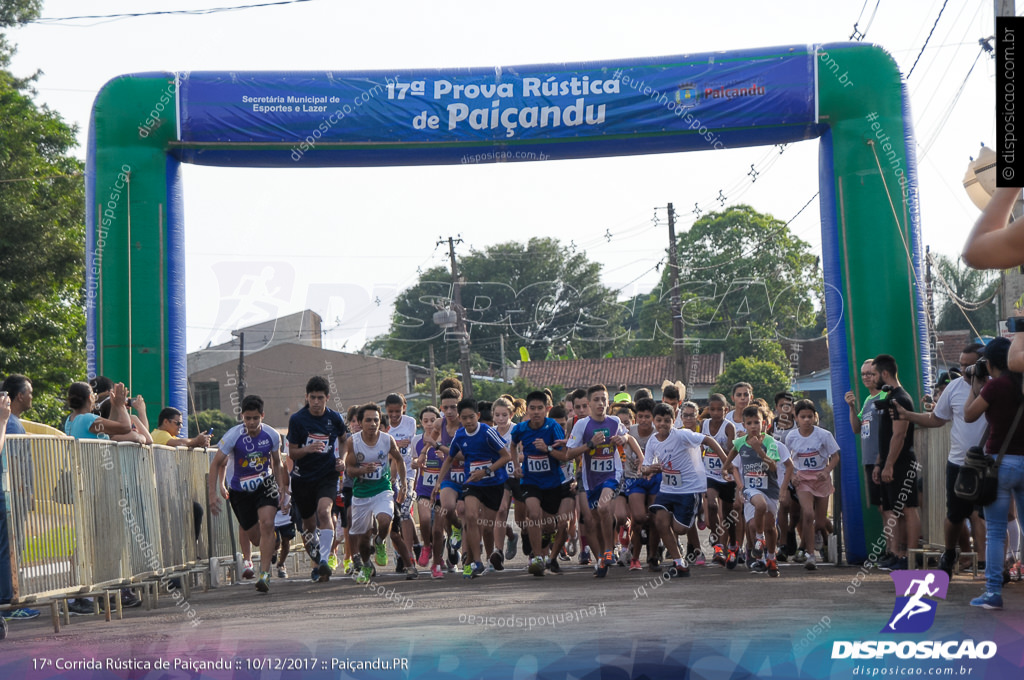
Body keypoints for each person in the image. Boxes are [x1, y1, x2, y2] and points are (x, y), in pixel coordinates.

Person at [896, 344, 988, 578]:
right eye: (962, 364)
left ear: (983, 364)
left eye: (971, 364)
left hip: (991, 462)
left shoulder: (995, 388)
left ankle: (986, 561)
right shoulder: (954, 388)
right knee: (955, 515)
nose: (966, 369)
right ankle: (949, 552)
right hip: (959, 462)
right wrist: (908, 415)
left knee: (983, 514)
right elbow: (937, 418)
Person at [964, 337, 1024, 610]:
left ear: (989, 363)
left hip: (999, 463)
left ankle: (992, 593)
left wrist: (974, 387)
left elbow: (969, 415)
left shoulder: (994, 387)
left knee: (996, 530)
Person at [209, 395, 287, 594]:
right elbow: (216, 463)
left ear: (262, 416)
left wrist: (281, 489)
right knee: (255, 538)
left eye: (255, 418)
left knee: (268, 523)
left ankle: (264, 574)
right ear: (242, 417)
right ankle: (269, 542)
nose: (251, 423)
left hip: (265, 484)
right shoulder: (233, 435)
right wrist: (212, 494)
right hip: (240, 490)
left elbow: (277, 463)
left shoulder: (271, 435)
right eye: (247, 418)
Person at [642, 403, 729, 579]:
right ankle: (679, 563)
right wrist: (651, 468)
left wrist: (726, 464)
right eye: (659, 421)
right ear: (654, 421)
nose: (662, 424)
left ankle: (695, 511)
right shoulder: (652, 440)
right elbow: (644, 467)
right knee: (659, 520)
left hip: (689, 488)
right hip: (667, 489)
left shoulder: (682, 435)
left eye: (667, 421)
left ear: (674, 421)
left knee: (680, 529)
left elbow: (708, 440)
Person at [435, 398, 512, 579]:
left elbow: (506, 456)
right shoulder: (460, 436)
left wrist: (486, 471)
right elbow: (449, 458)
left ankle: (490, 556)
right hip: (472, 483)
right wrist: (438, 482)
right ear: (460, 419)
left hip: (494, 483)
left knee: (486, 527)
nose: (468, 421)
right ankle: (476, 562)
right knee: (470, 517)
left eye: (471, 417)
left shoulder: (487, 432)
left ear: (477, 416)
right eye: (464, 418)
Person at [287, 376, 348, 582]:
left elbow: (344, 439)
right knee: (308, 525)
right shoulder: (297, 419)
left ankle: (324, 559)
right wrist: (308, 449)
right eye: (312, 397)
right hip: (302, 478)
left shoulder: (335, 418)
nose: (315, 402)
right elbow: (292, 453)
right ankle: (316, 559)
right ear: (306, 397)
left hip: (327, 475)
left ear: (327, 398)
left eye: (320, 398)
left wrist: (342, 459)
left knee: (325, 512)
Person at [345, 403, 414, 584]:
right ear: (360, 422)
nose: (373, 424)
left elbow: (399, 460)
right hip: (361, 493)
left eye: (376, 420)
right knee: (363, 538)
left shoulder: (387, 439)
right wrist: (362, 470)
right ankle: (367, 564)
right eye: (368, 420)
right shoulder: (354, 442)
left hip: (382, 489)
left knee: (385, 520)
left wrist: (404, 483)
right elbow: (349, 470)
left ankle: (380, 541)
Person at [511, 390, 575, 575]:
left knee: (550, 525)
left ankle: (548, 547)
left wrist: (546, 449)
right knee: (533, 513)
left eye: (540, 408)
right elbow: (513, 445)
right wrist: (516, 465)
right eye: (533, 408)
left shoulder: (553, 427)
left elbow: (564, 455)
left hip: (553, 483)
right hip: (530, 481)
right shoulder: (521, 428)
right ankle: (538, 557)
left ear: (546, 409)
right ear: (528, 409)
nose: (536, 412)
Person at [725, 405, 794, 577]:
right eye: (749, 423)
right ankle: (758, 543)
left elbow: (773, 466)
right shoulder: (740, 443)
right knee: (756, 519)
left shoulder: (771, 443)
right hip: (750, 489)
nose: (754, 426)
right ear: (744, 425)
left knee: (770, 525)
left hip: (770, 489)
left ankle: (771, 557)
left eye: (757, 422)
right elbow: (732, 458)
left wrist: (759, 450)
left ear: (764, 424)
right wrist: (726, 471)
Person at [566, 384, 626, 577]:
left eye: (604, 399)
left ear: (608, 402)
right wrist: (590, 444)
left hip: (612, 474)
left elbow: (626, 435)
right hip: (590, 478)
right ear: (589, 403)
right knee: (594, 520)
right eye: (596, 399)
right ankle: (601, 557)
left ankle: (609, 550)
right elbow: (569, 453)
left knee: (602, 508)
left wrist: (623, 439)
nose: (601, 403)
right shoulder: (582, 425)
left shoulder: (615, 421)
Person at [873, 354, 921, 572]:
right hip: (890, 461)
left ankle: (909, 557)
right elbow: (885, 437)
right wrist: (880, 463)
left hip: (902, 463)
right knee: (897, 510)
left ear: (884, 374)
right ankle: (899, 553)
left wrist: (890, 464)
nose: (873, 379)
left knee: (909, 508)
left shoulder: (900, 399)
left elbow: (899, 436)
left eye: (874, 375)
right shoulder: (890, 397)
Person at [844, 359, 893, 565]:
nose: (866, 377)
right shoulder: (867, 400)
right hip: (869, 460)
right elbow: (856, 428)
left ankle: (895, 551)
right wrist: (852, 406)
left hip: (880, 460)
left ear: (880, 374)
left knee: (889, 507)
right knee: (881, 507)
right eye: (863, 374)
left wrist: (883, 461)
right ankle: (889, 550)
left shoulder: (885, 396)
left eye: (870, 374)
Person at [0, 389, 40, 621]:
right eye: (29, 392)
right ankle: (9, 602)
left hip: (9, 494)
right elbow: (12, 459)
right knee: (10, 550)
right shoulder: (10, 423)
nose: (32, 396)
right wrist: (21, 492)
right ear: (19, 395)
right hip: (8, 495)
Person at [786, 400, 840, 569]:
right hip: (802, 480)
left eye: (810, 416)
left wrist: (827, 470)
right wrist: (792, 476)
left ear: (815, 417)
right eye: (803, 417)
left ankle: (803, 546)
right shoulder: (791, 437)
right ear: (796, 418)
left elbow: (835, 456)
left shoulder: (824, 435)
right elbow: (786, 461)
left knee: (821, 522)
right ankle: (811, 556)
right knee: (808, 514)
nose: (807, 420)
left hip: (821, 479)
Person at [150, 407, 212, 552]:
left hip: (169, 490)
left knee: (195, 511)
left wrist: (197, 442)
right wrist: (196, 441)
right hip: (160, 491)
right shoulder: (159, 434)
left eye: (181, 424)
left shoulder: (170, 436)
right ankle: (189, 551)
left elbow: (184, 443)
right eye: (178, 423)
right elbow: (179, 443)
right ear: (166, 422)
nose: (180, 427)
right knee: (195, 510)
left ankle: (189, 550)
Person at [384, 393, 420, 572]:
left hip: (408, 471)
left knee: (405, 510)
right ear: (386, 410)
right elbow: (388, 451)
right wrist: (396, 443)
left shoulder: (410, 422)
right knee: (394, 515)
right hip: (391, 473)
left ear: (403, 408)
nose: (394, 415)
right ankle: (403, 551)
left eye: (398, 411)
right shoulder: (384, 426)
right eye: (391, 411)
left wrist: (395, 445)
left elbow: (408, 446)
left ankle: (410, 552)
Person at [701, 393, 738, 568]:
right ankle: (717, 544)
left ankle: (732, 544)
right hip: (709, 474)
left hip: (726, 475)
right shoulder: (704, 425)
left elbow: (732, 451)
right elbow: (699, 447)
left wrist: (719, 450)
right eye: (712, 409)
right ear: (708, 410)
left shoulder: (728, 427)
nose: (716, 413)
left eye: (720, 410)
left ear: (726, 410)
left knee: (728, 515)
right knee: (712, 504)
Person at [412, 406, 446, 579]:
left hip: (441, 491)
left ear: (439, 421)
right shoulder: (417, 441)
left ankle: (437, 564)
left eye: (432, 420)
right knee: (424, 520)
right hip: (424, 489)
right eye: (425, 421)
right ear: (421, 423)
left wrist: (443, 458)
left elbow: (454, 462)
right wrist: (415, 463)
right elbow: (413, 461)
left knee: (438, 531)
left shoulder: (445, 440)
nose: (429, 424)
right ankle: (426, 546)